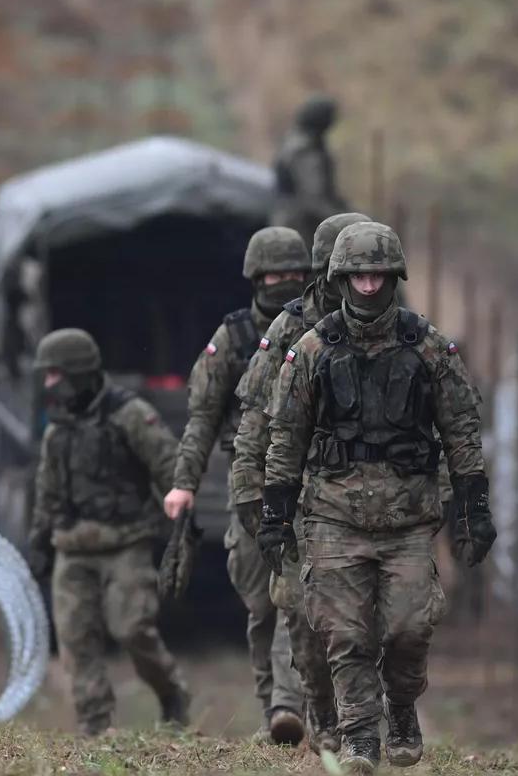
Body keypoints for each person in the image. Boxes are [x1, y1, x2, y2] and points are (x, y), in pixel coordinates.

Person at [260, 222, 496, 773]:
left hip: (409, 521)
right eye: (359, 275)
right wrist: (275, 514)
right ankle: (361, 736)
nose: (368, 286)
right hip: (332, 518)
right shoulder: (312, 351)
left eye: (378, 276)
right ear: (342, 279)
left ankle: (404, 708)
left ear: (394, 278)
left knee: (409, 629)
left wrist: (473, 508)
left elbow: (461, 430)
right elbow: (286, 437)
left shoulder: (429, 348)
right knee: (344, 634)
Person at [163, 226, 312, 744]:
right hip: (248, 484)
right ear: (256, 277)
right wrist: (184, 484)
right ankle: (275, 706)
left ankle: (294, 708)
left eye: (295, 274)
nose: (285, 283)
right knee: (260, 601)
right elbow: (201, 418)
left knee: (296, 594)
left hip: (309, 484)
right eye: (276, 275)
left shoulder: (321, 330)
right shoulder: (232, 339)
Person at [230, 211, 370, 753]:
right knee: (295, 607)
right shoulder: (289, 328)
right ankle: (306, 713)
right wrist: (252, 491)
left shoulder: (395, 331)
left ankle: (356, 725)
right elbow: (256, 419)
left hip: (367, 496)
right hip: (300, 492)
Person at [27, 328, 190, 736]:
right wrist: (39, 540)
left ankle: (171, 692)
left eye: (54, 375)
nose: (49, 384)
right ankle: (95, 724)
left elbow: (169, 463)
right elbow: (47, 491)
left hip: (125, 540)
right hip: (73, 546)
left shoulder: (129, 415)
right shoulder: (56, 431)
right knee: (75, 637)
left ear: (78, 373)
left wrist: (182, 514)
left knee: (133, 627)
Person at [271, 95, 347, 245]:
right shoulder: (306, 151)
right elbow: (314, 199)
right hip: (300, 228)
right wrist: (345, 221)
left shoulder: (293, 141)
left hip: (289, 223)